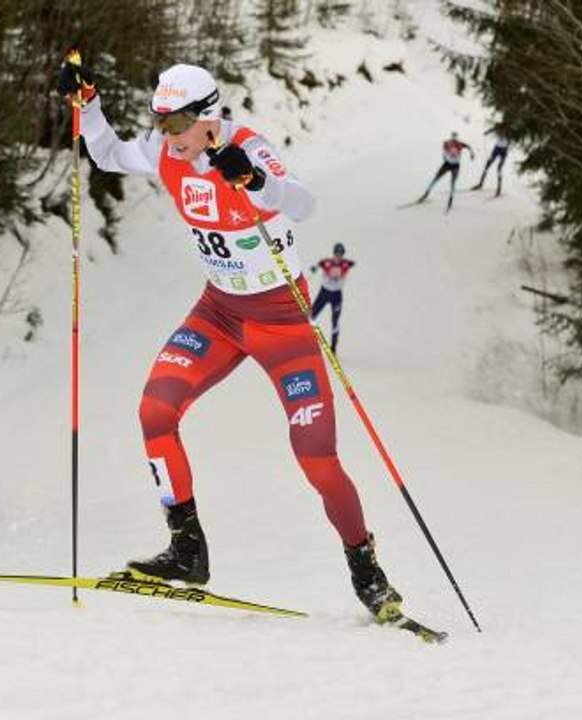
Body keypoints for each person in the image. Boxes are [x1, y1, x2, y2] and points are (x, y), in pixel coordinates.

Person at [57, 55, 403, 620]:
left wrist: (258, 181)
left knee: (316, 457)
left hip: (281, 321)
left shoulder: (249, 148)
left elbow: (304, 203)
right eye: (159, 123)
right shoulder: (167, 150)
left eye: (175, 125)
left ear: (208, 117)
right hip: (218, 313)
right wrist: (87, 105)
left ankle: (366, 567)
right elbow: (108, 152)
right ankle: (187, 549)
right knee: (155, 412)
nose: (165, 138)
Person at [310, 242, 354, 354]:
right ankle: (306, 341)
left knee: (335, 321)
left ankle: (333, 347)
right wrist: (314, 269)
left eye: (341, 253)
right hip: (324, 293)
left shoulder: (346, 264)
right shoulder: (326, 262)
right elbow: (318, 265)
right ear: (334, 253)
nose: (339, 255)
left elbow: (351, 263)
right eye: (337, 253)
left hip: (336, 295)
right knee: (311, 316)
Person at [417, 131, 474, 211]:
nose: (454, 140)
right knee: (438, 179)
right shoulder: (449, 143)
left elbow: (469, 147)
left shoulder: (458, 144)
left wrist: (472, 154)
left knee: (451, 182)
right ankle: (427, 193)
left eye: (455, 138)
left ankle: (449, 199)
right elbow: (444, 150)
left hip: (453, 165)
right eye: (453, 138)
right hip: (448, 164)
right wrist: (472, 154)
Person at [471, 122, 509, 196]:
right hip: (497, 149)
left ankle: (499, 188)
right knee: (487, 165)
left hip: (503, 151)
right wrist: (487, 132)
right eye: (499, 129)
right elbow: (492, 129)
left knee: (499, 168)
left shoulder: (508, 131)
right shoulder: (497, 127)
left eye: (502, 129)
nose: (500, 131)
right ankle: (480, 184)